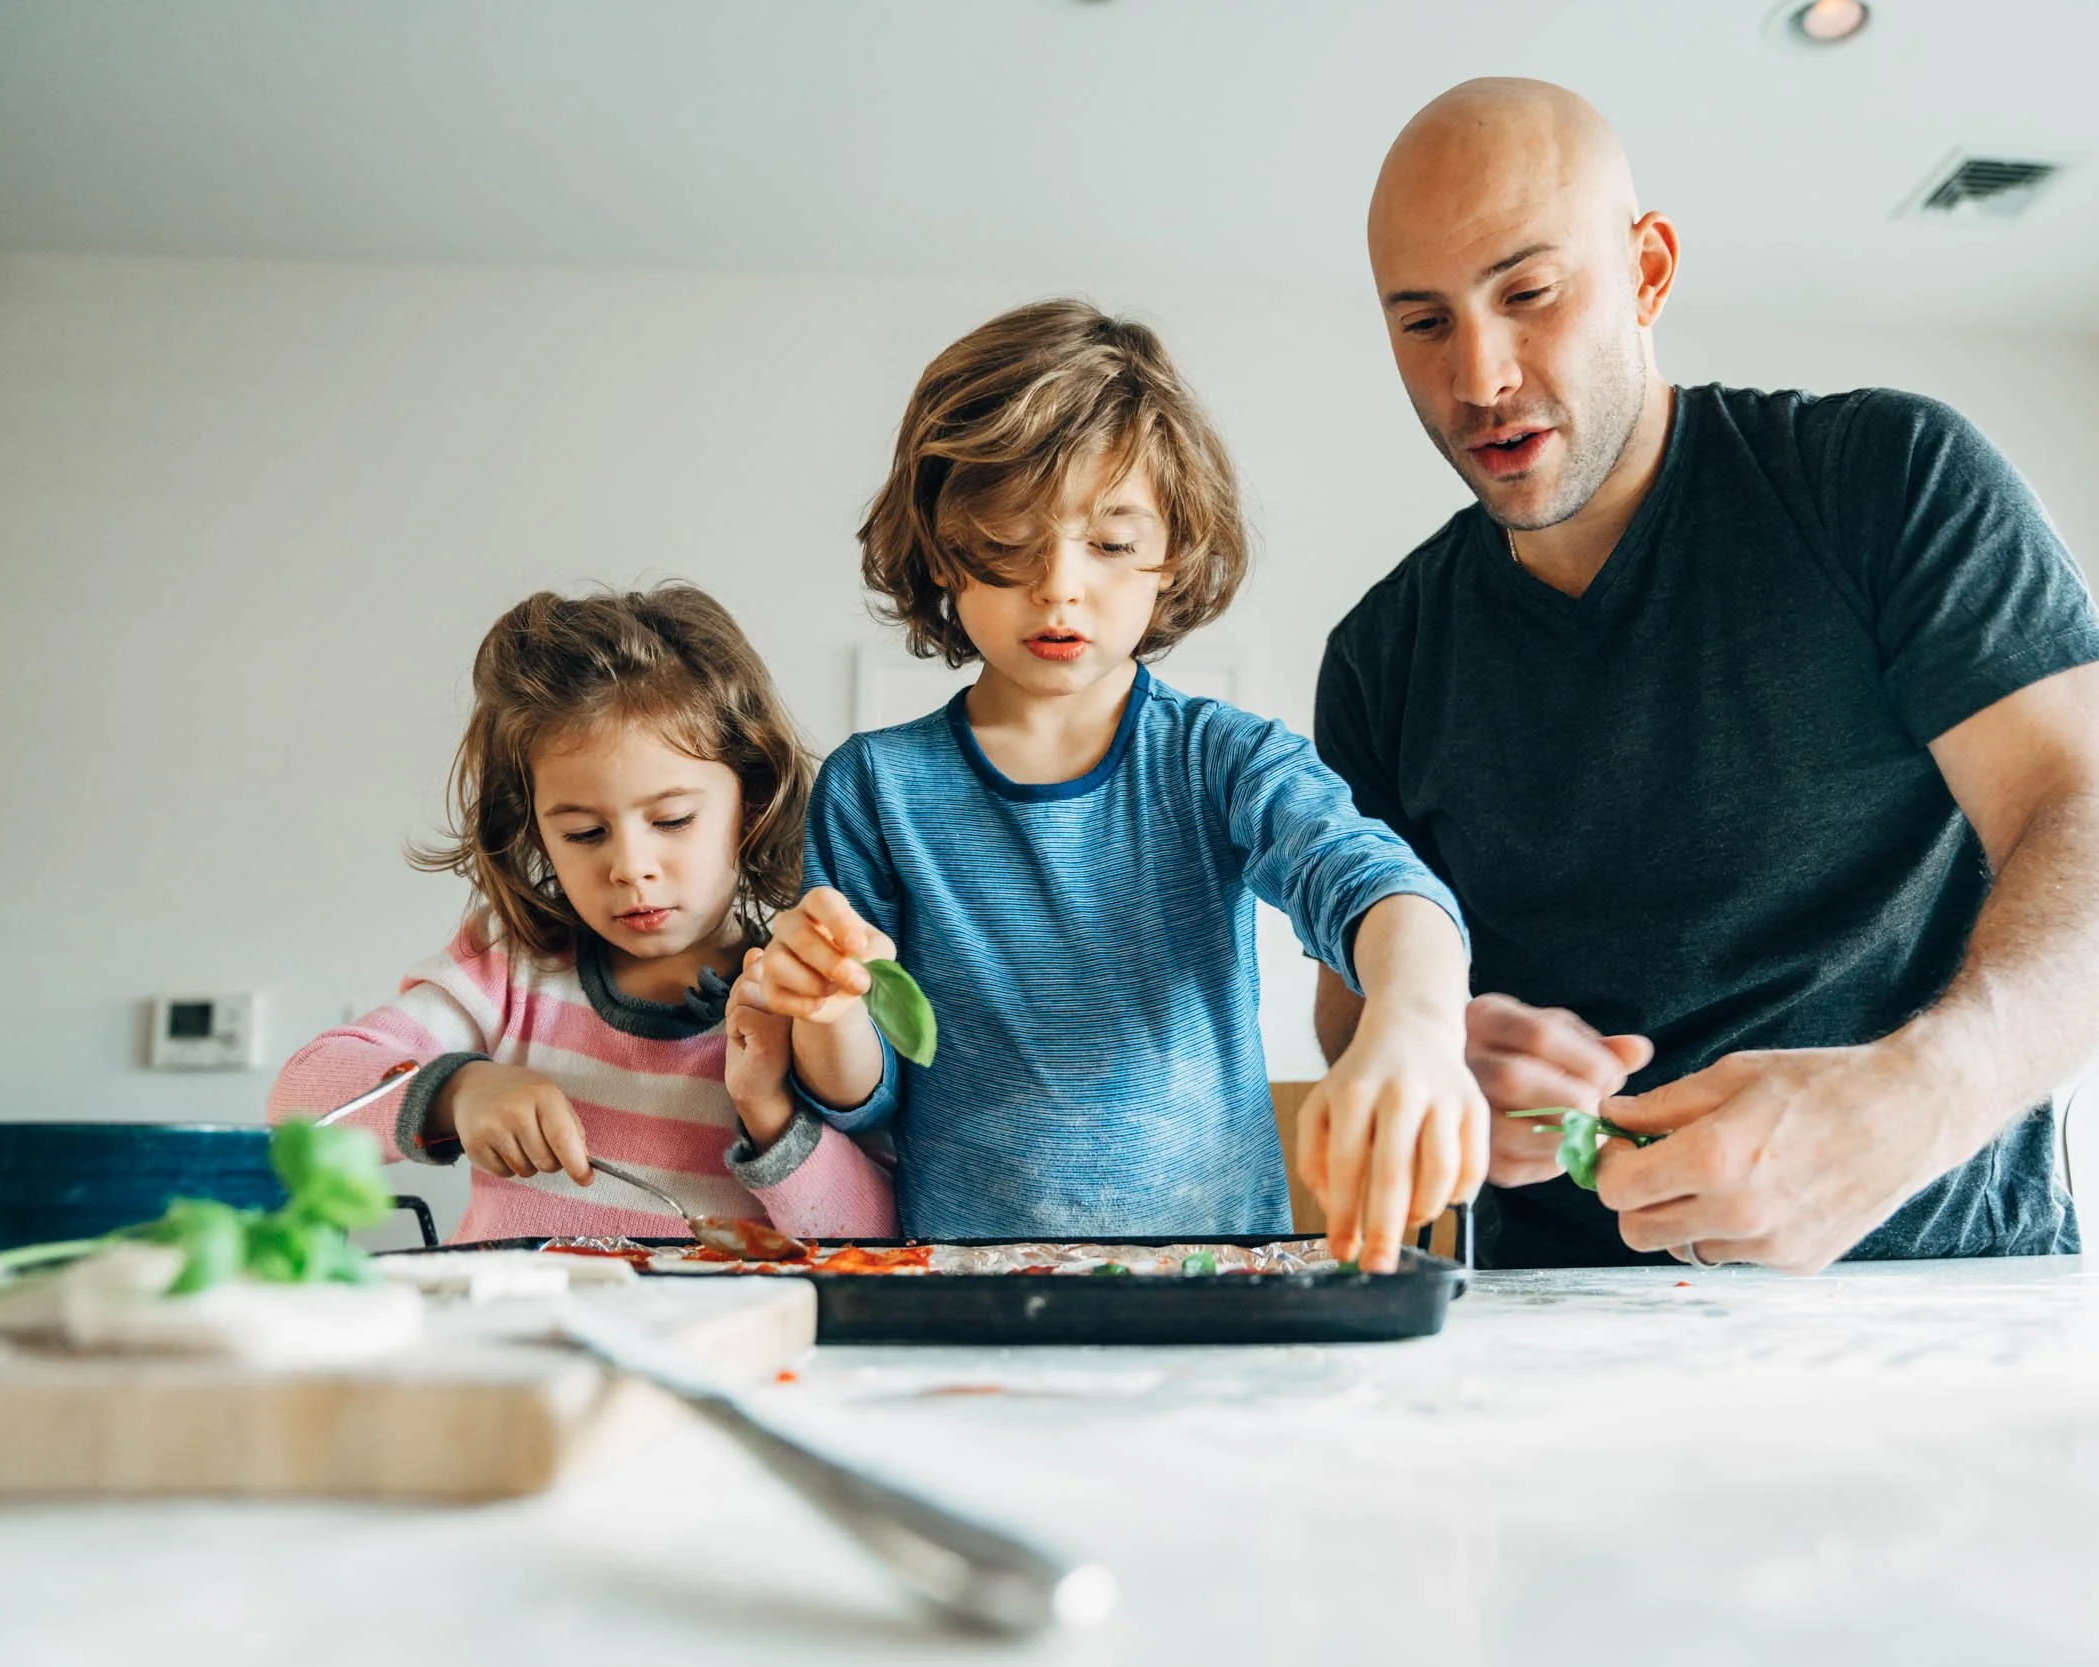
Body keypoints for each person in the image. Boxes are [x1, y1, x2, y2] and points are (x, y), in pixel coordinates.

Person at [1313, 79, 2099, 1273]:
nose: (1481, 375)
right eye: (1423, 322)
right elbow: (1352, 1004)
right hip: (1558, 1334)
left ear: (1648, 271)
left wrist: (1916, 1097)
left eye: (1528, 294)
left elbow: (2097, 827)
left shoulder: (1885, 479)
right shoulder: (1380, 657)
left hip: (1938, 1292)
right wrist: (1432, 1050)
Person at [737, 299, 1483, 1270]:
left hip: (1214, 1280)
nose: (1058, 585)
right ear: (938, 551)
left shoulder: (1221, 759)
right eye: (1009, 540)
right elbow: (867, 1093)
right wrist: (828, 1008)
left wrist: (1417, 1021)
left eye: (1110, 542)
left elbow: (1373, 881)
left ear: (1174, 550)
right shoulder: (873, 788)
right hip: (969, 1289)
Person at [269, 585, 895, 1243]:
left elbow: (873, 1237)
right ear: (535, 830)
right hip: (511, 1341)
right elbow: (299, 1100)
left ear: (754, 800)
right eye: (585, 834)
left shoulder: (807, 1000)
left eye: (672, 819)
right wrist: (459, 1091)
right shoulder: (508, 969)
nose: (629, 866)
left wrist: (766, 1109)